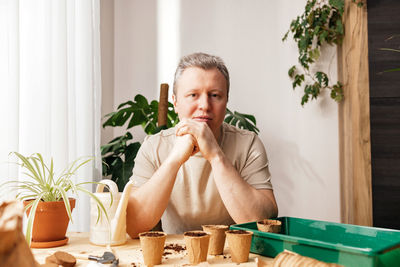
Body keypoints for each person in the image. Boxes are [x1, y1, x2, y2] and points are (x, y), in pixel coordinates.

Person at [126, 52, 278, 238]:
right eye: (193, 95)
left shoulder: (248, 144)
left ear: (226, 100)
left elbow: (263, 222)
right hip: (173, 256)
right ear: (175, 102)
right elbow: (132, 225)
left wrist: (215, 155)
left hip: (233, 255)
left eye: (215, 95)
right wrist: (174, 159)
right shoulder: (154, 146)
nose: (205, 105)